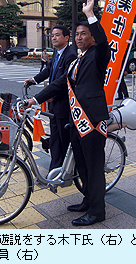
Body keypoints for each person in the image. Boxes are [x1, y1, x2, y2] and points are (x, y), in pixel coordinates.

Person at [26, 0, 110, 226]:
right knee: (81, 163)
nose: (79, 37)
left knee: (93, 167)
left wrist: (90, 14)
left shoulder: (98, 55)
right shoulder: (76, 60)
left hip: (91, 120)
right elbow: (59, 83)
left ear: (92, 37)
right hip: (76, 120)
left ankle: (97, 211)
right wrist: (36, 99)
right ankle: (88, 200)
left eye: (84, 34)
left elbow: (104, 42)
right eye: (77, 34)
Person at [24, 25, 77, 171]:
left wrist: (44, 97)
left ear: (66, 38)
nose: (53, 38)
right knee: (55, 137)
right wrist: (34, 80)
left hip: (63, 104)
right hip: (54, 104)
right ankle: (56, 167)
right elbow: (49, 70)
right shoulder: (58, 52)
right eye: (52, 35)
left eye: (57, 35)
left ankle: (62, 168)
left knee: (62, 138)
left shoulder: (70, 55)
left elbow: (65, 81)